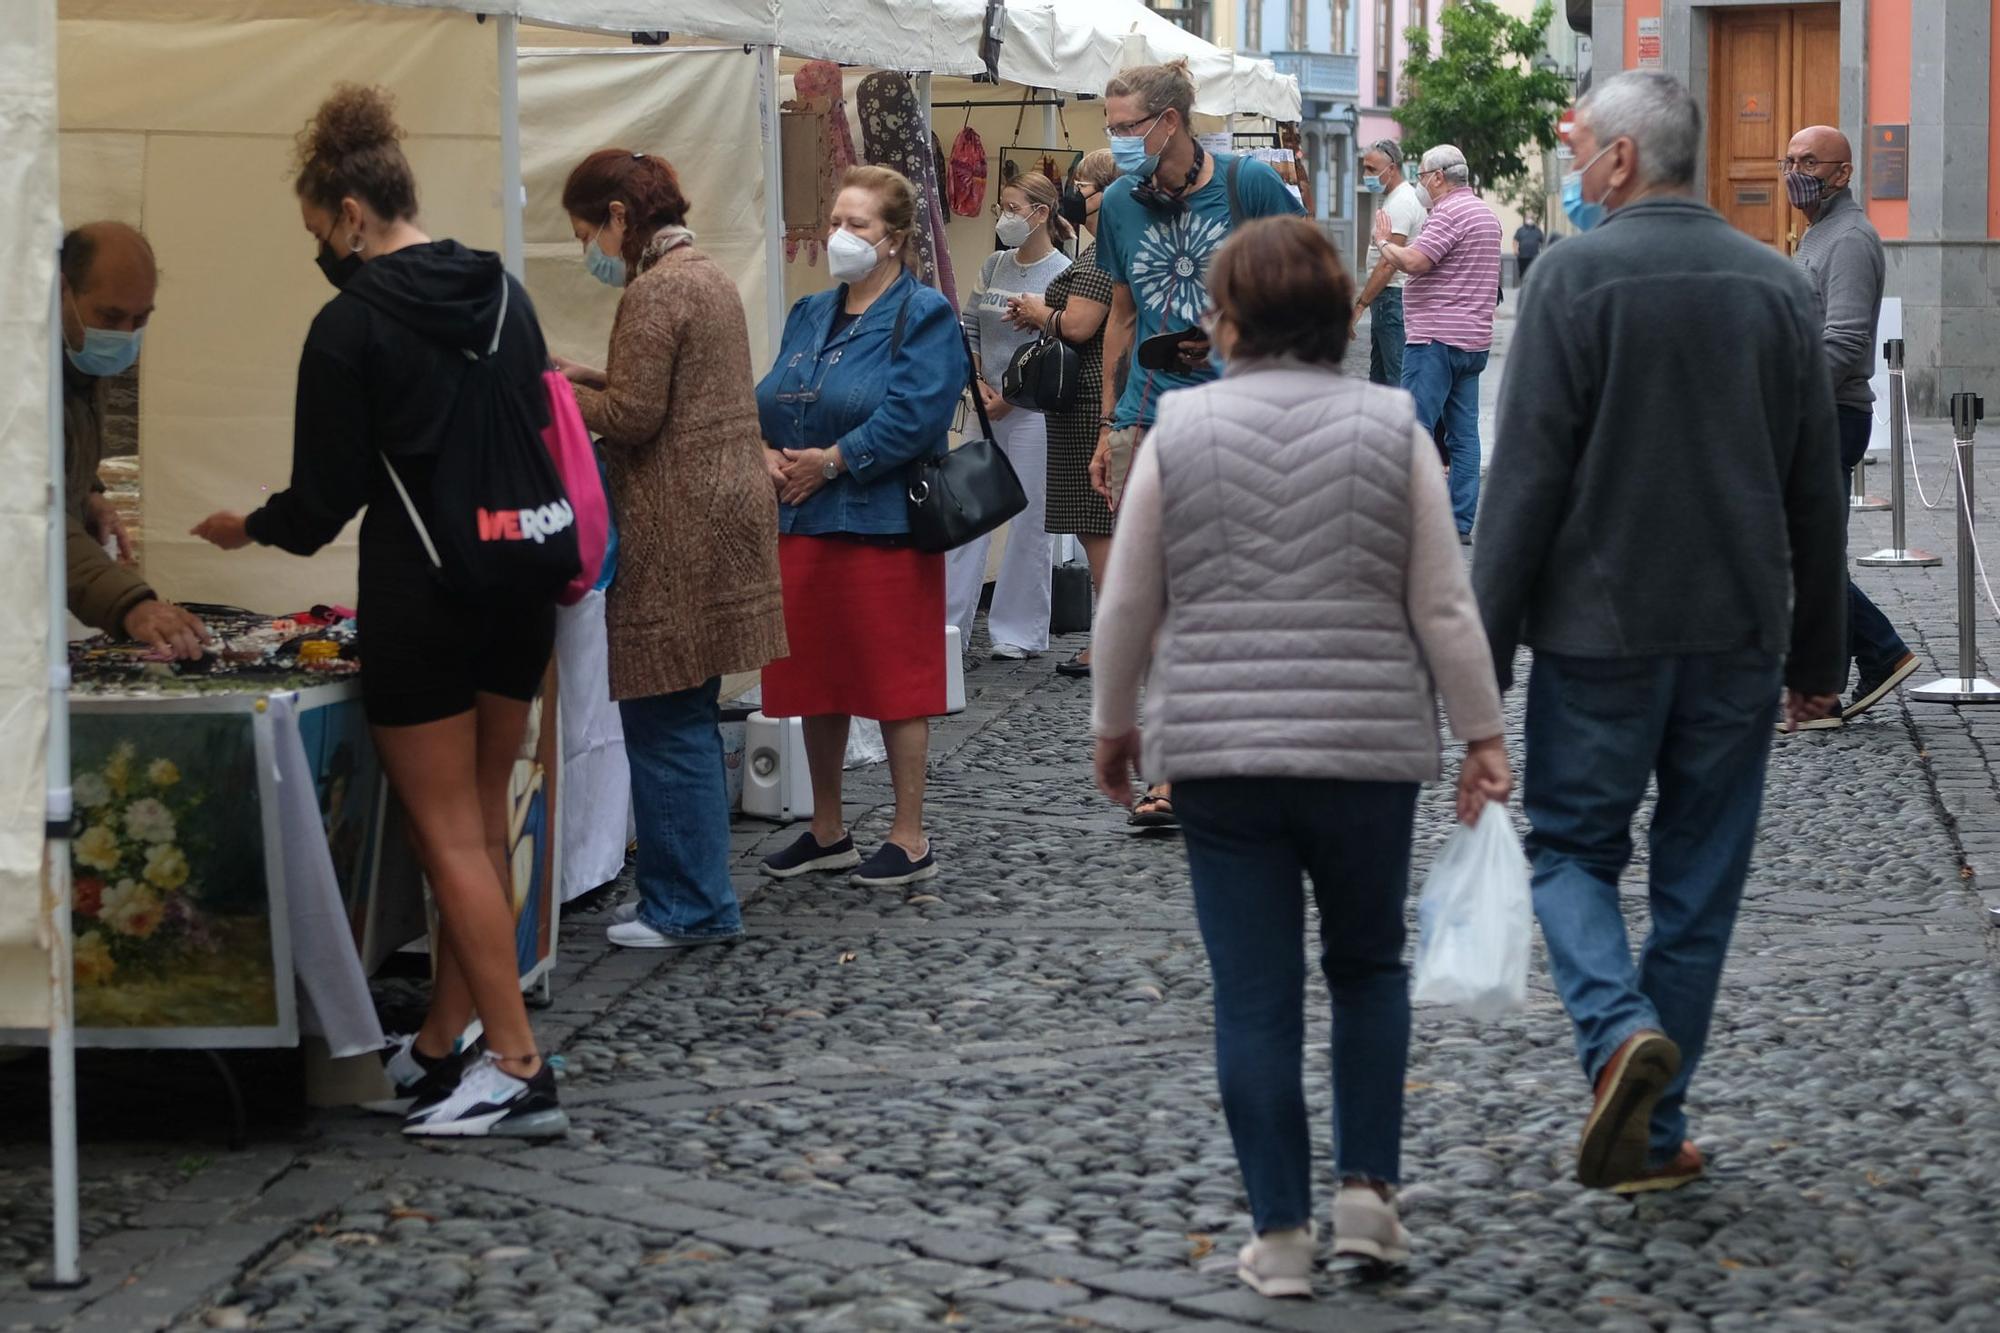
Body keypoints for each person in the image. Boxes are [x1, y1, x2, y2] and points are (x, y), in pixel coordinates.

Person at [1093, 217, 1510, 1293]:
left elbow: (1129, 600)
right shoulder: (1391, 424)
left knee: (1253, 993)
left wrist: (1113, 723)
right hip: (1365, 749)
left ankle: (1278, 1234)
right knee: (1368, 967)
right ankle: (1367, 1197)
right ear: (1335, 316)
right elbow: (1442, 605)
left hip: (1221, 754)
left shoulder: (1178, 431)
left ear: (1227, 320)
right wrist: (1480, 733)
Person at [1473, 70, 1846, 1195]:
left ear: (1622, 160)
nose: (1577, 169)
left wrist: (1478, 666)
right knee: (1697, 882)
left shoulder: (1571, 276)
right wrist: (1817, 658)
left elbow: (1521, 481)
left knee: (1571, 853)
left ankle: (1613, 1030)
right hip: (1734, 631)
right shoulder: (1775, 284)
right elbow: (1812, 490)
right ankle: (1651, 1123)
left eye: (1582, 150)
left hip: (1596, 634)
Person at [193, 85, 566, 1139]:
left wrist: (245, 527)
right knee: (482, 822)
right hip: (521, 574)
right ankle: (448, 1042)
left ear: (351, 214)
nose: (321, 249)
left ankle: (518, 1064)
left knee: (445, 832)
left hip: (426, 592)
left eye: (319, 231)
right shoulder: (501, 289)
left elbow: (320, 506)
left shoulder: (348, 325)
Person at [556, 148, 788, 948]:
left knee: (665, 720)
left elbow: (634, 415)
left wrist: (556, 391)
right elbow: (664, 390)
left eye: (587, 229)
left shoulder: (656, 291)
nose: (590, 246)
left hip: (675, 524)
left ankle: (688, 903)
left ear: (621, 216)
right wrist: (590, 375)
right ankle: (696, 894)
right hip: (722, 516)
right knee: (688, 709)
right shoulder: (708, 274)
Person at [1086, 58, 1305, 828]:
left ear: (1169, 122)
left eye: (1123, 127)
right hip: (1151, 420)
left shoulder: (1249, 186)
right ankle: (1173, 772)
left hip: (1247, 418)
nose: (1113, 142)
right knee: (1160, 598)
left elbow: (1305, 299)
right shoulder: (1116, 202)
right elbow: (1118, 312)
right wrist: (1112, 422)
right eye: (1108, 127)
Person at [754, 166, 965, 889]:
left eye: (859, 225)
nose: (841, 236)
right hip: (803, 516)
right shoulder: (810, 310)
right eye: (836, 221)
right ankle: (827, 826)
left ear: (896, 239)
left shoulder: (924, 312)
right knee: (817, 674)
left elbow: (917, 412)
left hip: (882, 521)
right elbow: (771, 392)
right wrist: (767, 451)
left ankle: (909, 835)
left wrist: (836, 461)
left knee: (895, 677)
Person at [1785, 124, 1918, 726]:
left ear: (1842, 173)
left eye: (1809, 161)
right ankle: (1837, 683)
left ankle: (1875, 655)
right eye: (1789, 160)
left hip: (1830, 415)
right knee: (1805, 553)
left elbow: (1843, 342)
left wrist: (1784, 397)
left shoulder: (1850, 239)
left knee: (1803, 556)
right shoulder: (1819, 232)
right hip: (1815, 413)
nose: (1796, 171)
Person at [60, 222, 209, 659]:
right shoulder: (18, 369)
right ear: (60, 290)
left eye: (140, 319)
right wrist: (130, 604)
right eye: (110, 317)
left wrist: (87, 494)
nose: (125, 333)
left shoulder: (80, 356)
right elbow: (24, 516)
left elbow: (57, 453)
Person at [946, 170, 1071, 662]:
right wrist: (976, 380)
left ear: (1040, 214)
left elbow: (1058, 344)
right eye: (1002, 207)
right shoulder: (994, 263)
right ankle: (950, 627)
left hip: (1032, 412)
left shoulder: (1063, 271)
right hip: (983, 404)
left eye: (1012, 207)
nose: (1003, 216)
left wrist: (1013, 399)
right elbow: (970, 324)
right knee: (967, 517)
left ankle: (1017, 631)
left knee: (1029, 522)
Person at [1007, 149, 1119, 680]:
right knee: (1100, 525)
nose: (1074, 192)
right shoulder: (1102, 251)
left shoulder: (1101, 258)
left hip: (1087, 398)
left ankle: (1109, 642)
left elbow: (1078, 326)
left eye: (1081, 184)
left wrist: (1038, 312)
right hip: (1084, 398)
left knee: (1098, 527)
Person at [1372, 144, 1502, 541]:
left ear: (1439, 177)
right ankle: (1459, 522)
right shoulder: (1486, 215)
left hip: (1435, 340)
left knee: (1416, 428)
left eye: (1422, 175)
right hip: (1473, 342)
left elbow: (1415, 262)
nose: (1420, 182)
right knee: (1464, 436)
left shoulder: (1448, 213)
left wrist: (1383, 244)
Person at [1350, 141, 1426, 388]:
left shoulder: (1402, 202)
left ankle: (1405, 426)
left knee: (1396, 379)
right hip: (1388, 300)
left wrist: (1361, 304)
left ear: (1391, 168)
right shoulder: (1397, 198)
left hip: (1393, 297)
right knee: (1381, 378)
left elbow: (1388, 264)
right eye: (1365, 168)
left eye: (1372, 169)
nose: (1366, 175)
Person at [1513, 216, 1545, 288]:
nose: (1530, 220)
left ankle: (1531, 287)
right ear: (1525, 219)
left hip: (1534, 256)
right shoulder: (1520, 230)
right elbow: (1515, 240)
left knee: (1533, 272)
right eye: (1528, 218)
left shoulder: (1537, 231)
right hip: (1522, 256)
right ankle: (1523, 286)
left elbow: (1543, 241)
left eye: (1531, 218)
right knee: (1523, 273)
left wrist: (1543, 251)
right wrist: (1515, 250)